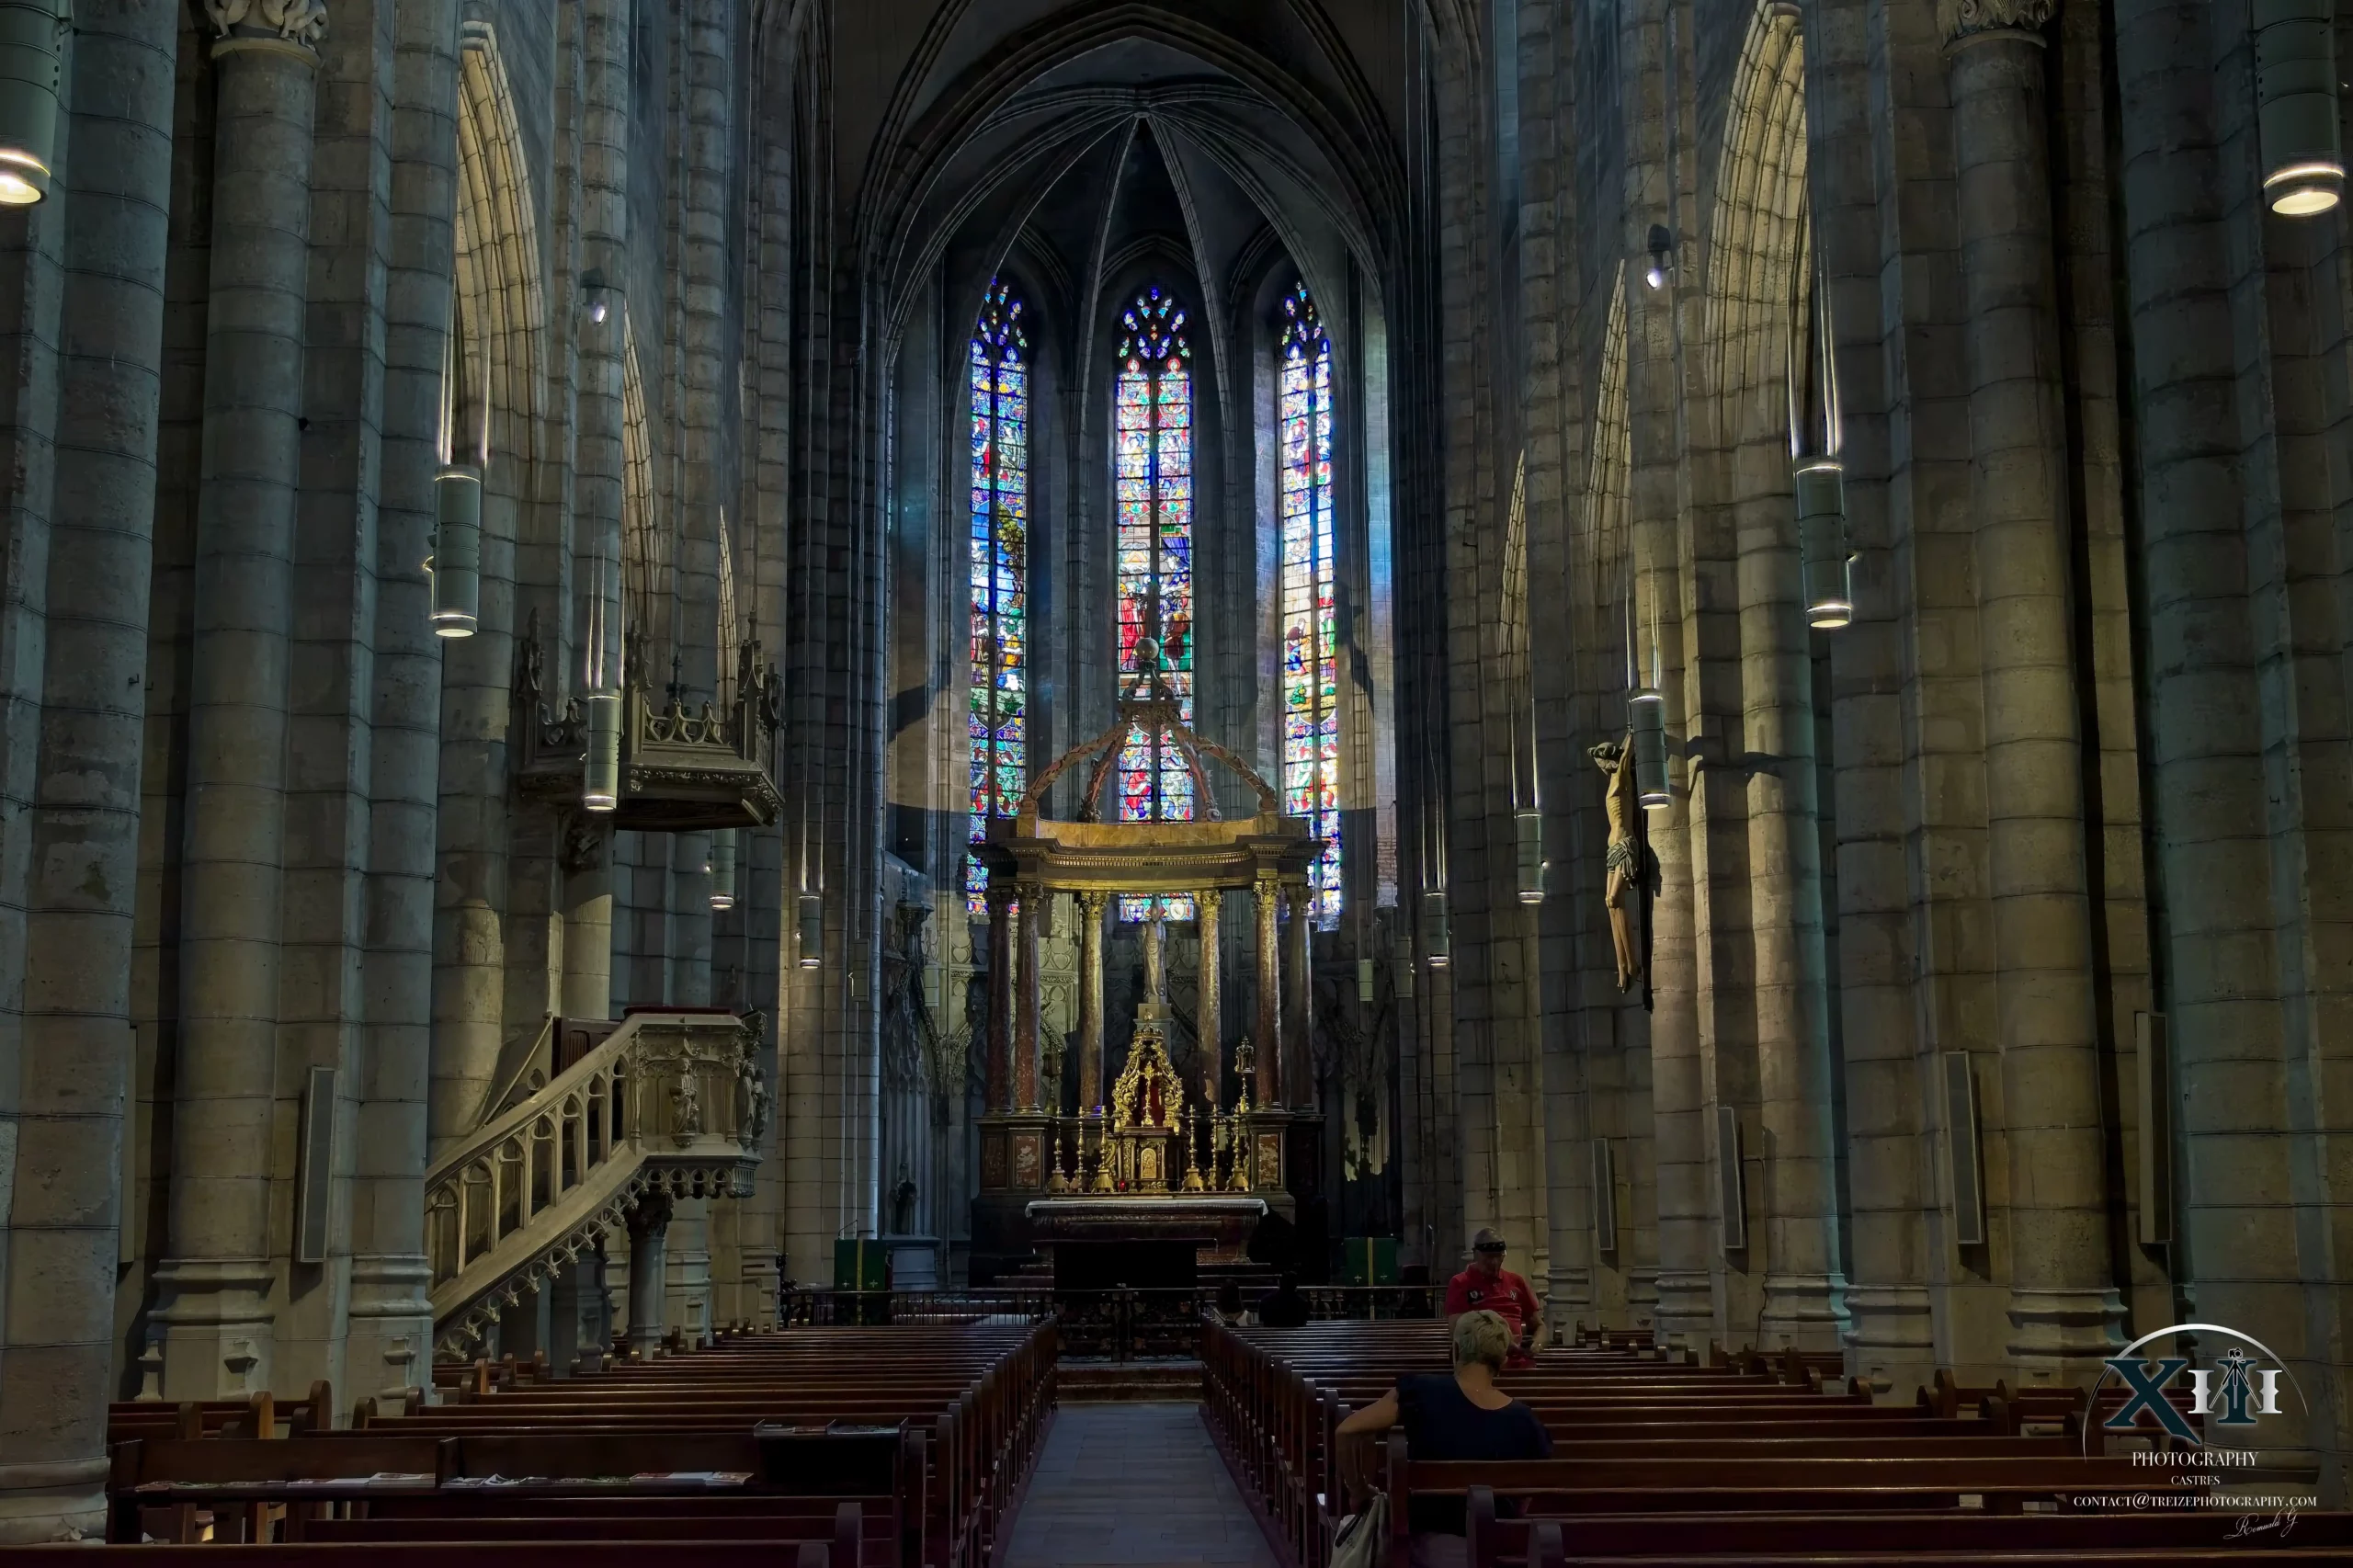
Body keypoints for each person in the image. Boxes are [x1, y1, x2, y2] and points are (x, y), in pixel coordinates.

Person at [1334, 1310, 1553, 1568]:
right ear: (1503, 1360)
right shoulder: (1525, 1420)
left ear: (1456, 1349)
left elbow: (1346, 1431)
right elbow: (1529, 1495)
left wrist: (1358, 1490)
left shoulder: (1421, 1392)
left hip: (1432, 1549)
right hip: (1504, 1551)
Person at [1444, 1228, 1541, 1363]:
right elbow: (1458, 1332)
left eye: (1499, 1256)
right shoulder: (1460, 1283)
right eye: (1489, 1257)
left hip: (1518, 1360)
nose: (1494, 1262)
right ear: (1475, 1254)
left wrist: (1537, 1344)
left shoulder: (1516, 1281)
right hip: (1481, 1363)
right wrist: (1502, 1344)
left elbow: (1539, 1325)